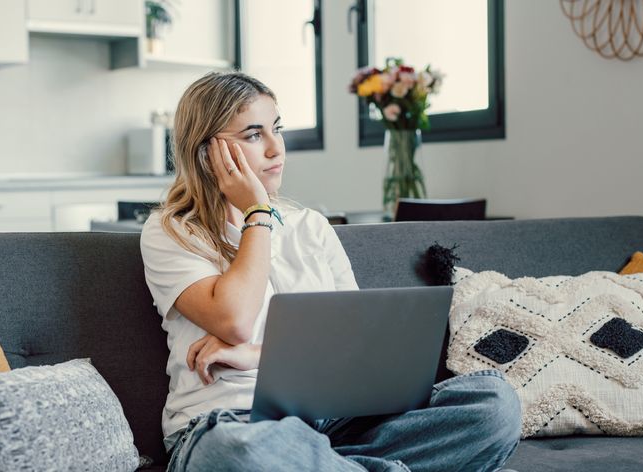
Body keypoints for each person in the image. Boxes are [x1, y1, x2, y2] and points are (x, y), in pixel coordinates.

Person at [140, 71, 521, 472]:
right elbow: (234, 320)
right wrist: (257, 213)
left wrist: (256, 355)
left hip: (335, 422)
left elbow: (354, 347)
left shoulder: (310, 226)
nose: (276, 149)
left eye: (277, 129)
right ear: (206, 152)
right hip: (236, 424)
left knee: (494, 403)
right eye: (253, 135)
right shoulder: (171, 231)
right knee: (235, 452)